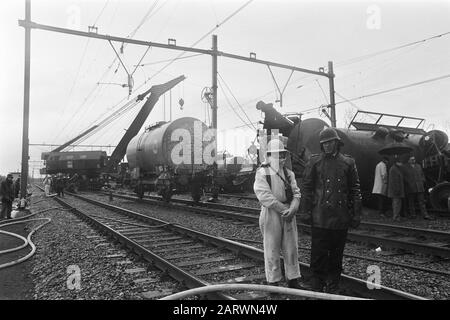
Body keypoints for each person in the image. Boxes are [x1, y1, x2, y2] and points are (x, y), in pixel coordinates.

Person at [300, 127, 362, 294]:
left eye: (330, 142)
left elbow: (355, 189)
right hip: (320, 216)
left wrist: (356, 213)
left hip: (340, 218)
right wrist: (305, 211)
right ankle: (316, 286)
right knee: (318, 255)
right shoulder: (314, 162)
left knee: (336, 255)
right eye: (324, 143)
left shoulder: (348, 162)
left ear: (336, 143)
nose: (327, 145)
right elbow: (306, 188)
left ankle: (333, 285)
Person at [253, 138, 307, 290]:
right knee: (271, 248)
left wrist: (293, 209)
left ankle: (293, 279)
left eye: (283, 155)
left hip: (289, 212)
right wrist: (286, 210)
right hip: (271, 214)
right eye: (277, 155)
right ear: (269, 156)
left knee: (291, 247)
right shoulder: (262, 173)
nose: (281, 158)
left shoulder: (289, 174)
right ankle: (273, 282)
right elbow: (265, 197)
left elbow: (297, 193)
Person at [403, 156, 434, 220]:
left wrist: (422, 181)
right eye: (412, 159)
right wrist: (408, 183)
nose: (413, 160)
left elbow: (422, 174)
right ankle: (413, 215)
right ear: (408, 160)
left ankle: (425, 215)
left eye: (414, 159)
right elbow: (404, 177)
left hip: (419, 186)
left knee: (421, 202)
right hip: (410, 187)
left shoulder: (418, 166)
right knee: (411, 202)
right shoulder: (405, 167)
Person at [388, 156, 405, 222]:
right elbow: (394, 181)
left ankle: (397, 216)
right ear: (397, 162)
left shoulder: (396, 168)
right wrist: (397, 190)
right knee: (396, 204)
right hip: (396, 190)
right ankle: (396, 217)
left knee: (397, 203)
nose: (402, 164)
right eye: (400, 162)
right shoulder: (394, 169)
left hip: (397, 190)